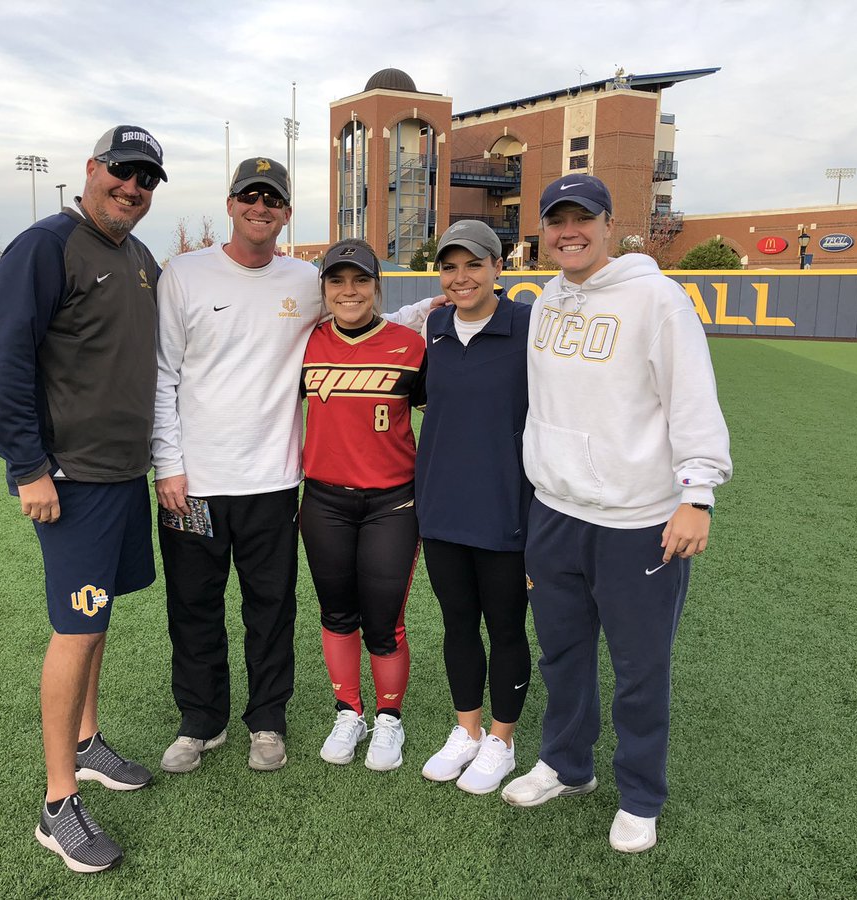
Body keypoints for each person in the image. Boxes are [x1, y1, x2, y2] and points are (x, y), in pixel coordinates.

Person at [152, 158, 437, 775]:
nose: (261, 207)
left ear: (285, 213)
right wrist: (167, 466)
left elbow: (358, 319)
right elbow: (161, 375)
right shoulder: (183, 274)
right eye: (249, 196)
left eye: (273, 199)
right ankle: (201, 722)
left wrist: (419, 319)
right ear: (230, 204)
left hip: (276, 483)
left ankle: (266, 721)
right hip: (192, 486)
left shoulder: (303, 279)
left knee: (271, 606)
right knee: (193, 604)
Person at [501, 174, 732, 853]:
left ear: (608, 225)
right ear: (542, 229)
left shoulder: (656, 297)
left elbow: (691, 395)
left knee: (639, 667)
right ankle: (568, 766)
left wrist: (696, 495)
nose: (568, 231)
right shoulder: (546, 298)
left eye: (582, 219)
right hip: (556, 512)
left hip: (637, 519)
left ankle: (640, 795)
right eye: (556, 220)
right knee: (563, 655)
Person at [0, 125, 168, 873]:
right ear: (91, 169)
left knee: (99, 619)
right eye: (122, 171)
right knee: (75, 625)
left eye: (146, 178)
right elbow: (4, 364)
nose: (132, 187)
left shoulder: (141, 257)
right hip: (72, 479)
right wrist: (28, 468)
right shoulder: (44, 246)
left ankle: (87, 743)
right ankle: (59, 805)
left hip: (125, 475)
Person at [415, 220, 534, 796]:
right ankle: (465, 730)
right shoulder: (435, 325)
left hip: (505, 509)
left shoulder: (527, 328)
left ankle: (501, 741)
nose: (461, 278)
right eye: (450, 267)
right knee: (457, 624)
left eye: (473, 265)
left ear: (497, 269)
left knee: (506, 627)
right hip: (441, 508)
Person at [299, 238, 426, 771]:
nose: (348, 291)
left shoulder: (410, 345)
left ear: (377, 285)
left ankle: (389, 719)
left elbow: (443, 416)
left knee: (384, 621)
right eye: (337, 281)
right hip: (324, 500)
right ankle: (348, 710)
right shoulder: (304, 343)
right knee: (336, 612)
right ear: (324, 288)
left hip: (392, 503)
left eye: (359, 280)